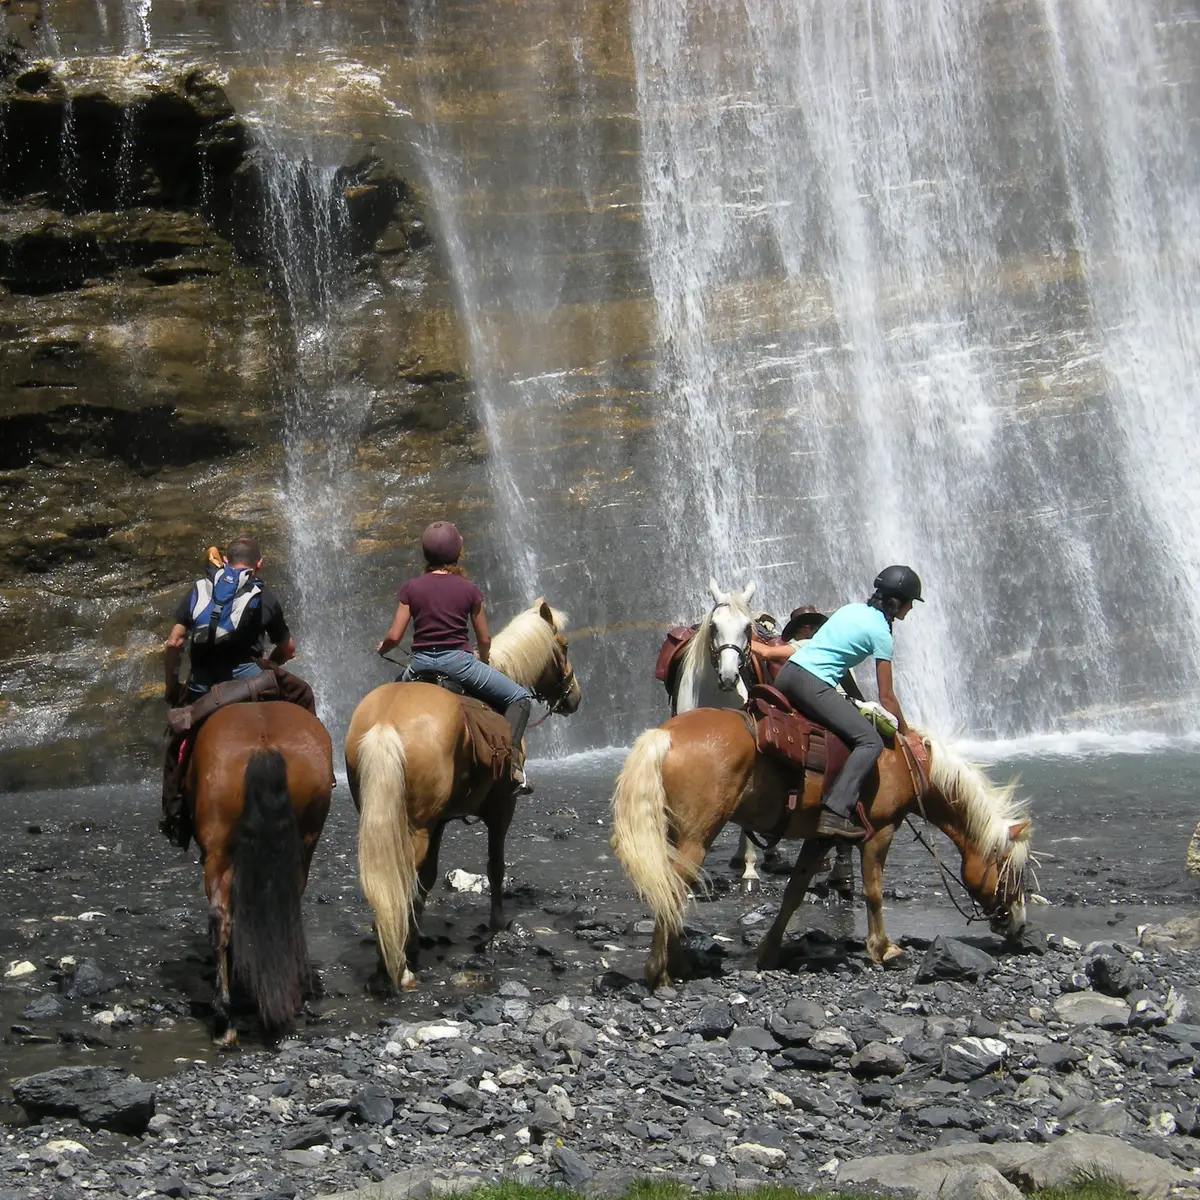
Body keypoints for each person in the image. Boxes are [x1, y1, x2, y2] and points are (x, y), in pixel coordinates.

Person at [751, 565, 922, 840]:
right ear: (897, 601)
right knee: (870, 741)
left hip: (788, 674)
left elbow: (836, 661)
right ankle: (836, 812)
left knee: (848, 728)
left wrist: (857, 702)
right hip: (812, 685)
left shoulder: (850, 609)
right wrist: (906, 732)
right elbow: (887, 696)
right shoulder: (882, 633)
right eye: (911, 602)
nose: (911, 608)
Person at [160, 536, 310, 846]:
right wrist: (269, 665)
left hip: (202, 686)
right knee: (303, 693)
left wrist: (172, 686)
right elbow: (288, 649)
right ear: (259, 564)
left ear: (226, 561)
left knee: (178, 743)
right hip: (248, 681)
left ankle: (173, 814)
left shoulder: (198, 590)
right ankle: (317, 776)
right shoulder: (263, 595)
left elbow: (174, 643)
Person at [376, 521, 534, 792]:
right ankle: (512, 767)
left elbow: (394, 636)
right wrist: (484, 659)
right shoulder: (469, 590)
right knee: (521, 698)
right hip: (459, 664)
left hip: (419, 665)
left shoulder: (410, 589)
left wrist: (383, 648)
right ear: (457, 554)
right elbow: (484, 639)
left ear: (426, 555)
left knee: (384, 704)